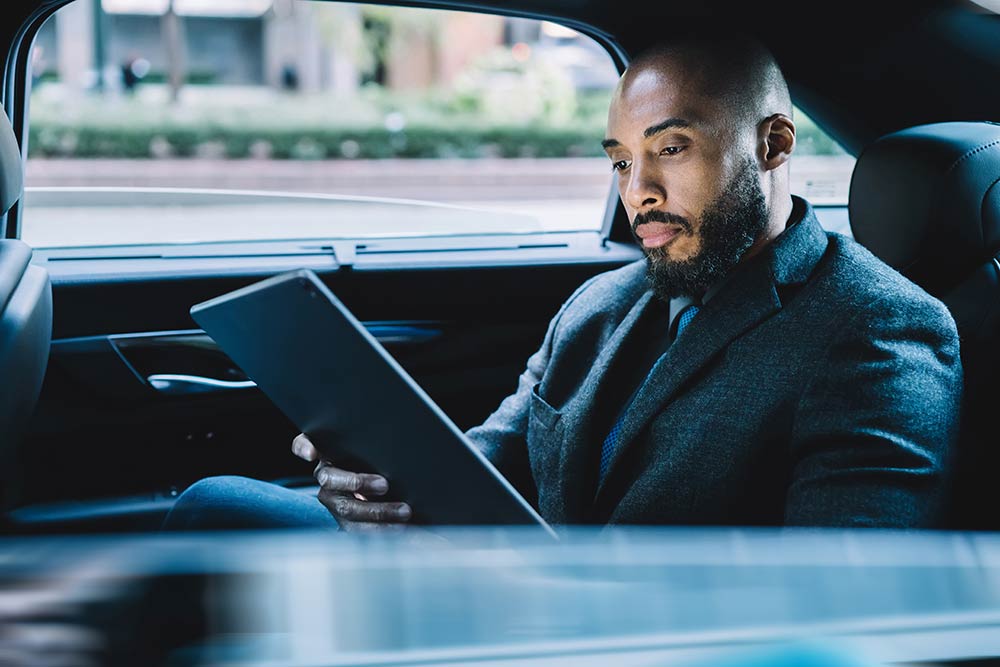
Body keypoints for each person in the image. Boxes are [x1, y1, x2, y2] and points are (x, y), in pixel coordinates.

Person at [164, 33, 962, 532]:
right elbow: (485, 469)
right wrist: (379, 494)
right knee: (212, 504)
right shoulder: (600, 305)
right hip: (492, 587)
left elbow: (844, 606)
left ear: (774, 144)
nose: (636, 190)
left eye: (671, 148)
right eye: (619, 160)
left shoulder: (880, 332)